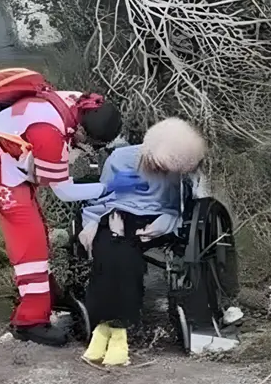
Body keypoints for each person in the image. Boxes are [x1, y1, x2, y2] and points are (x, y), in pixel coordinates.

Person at [0, 67, 147, 347]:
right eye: (90, 144)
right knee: (30, 238)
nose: (88, 149)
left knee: (36, 226)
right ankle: (29, 321)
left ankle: (46, 294)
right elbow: (64, 192)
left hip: (7, 156)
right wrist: (108, 187)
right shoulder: (50, 133)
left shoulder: (74, 103)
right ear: (83, 130)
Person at [77, 117, 208, 366]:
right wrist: (94, 223)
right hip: (116, 212)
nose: (160, 172)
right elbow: (102, 198)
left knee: (121, 249)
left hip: (154, 221)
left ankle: (106, 331)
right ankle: (118, 329)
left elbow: (174, 209)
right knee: (114, 250)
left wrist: (164, 223)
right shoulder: (120, 159)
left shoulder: (174, 168)